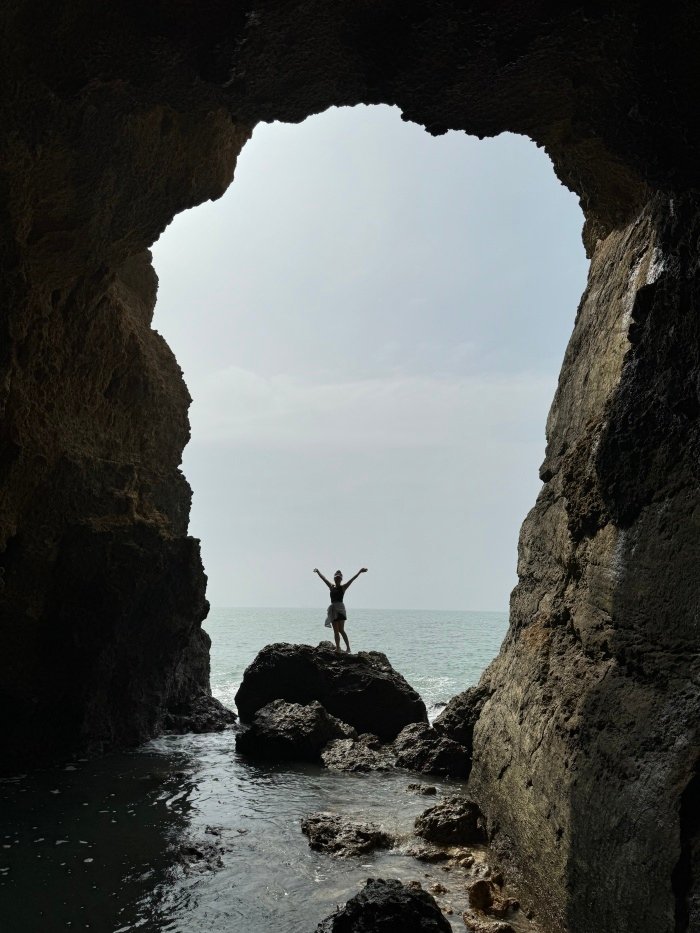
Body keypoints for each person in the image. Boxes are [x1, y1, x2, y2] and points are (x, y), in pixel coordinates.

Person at [313, 567, 367, 652]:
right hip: (333, 608)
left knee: (341, 630)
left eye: (339, 578)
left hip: (340, 609)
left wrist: (359, 572)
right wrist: (318, 572)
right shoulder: (331, 586)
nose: (337, 579)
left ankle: (348, 648)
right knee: (336, 631)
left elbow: (352, 579)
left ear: (341, 579)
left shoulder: (343, 587)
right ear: (334, 578)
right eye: (336, 577)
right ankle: (338, 648)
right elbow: (324, 579)